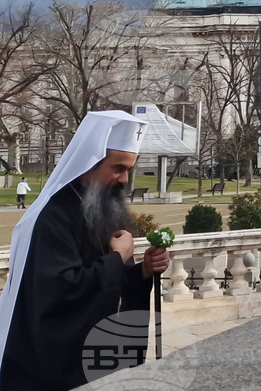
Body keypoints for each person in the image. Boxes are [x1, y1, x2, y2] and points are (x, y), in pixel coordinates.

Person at [0, 110, 171, 390]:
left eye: (129, 168)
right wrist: (117, 259)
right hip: (51, 366)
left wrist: (142, 270)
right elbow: (60, 292)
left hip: (98, 354)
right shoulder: (52, 216)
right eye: (118, 168)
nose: (125, 179)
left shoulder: (98, 207)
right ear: (90, 164)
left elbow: (103, 277)